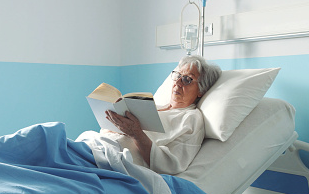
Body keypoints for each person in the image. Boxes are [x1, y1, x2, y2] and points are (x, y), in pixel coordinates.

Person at [86, 55, 221, 175]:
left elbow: (172, 165)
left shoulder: (191, 118)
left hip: (114, 158)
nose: (178, 83)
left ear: (201, 91)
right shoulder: (155, 106)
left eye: (187, 79)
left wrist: (136, 134)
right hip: (96, 146)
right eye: (178, 76)